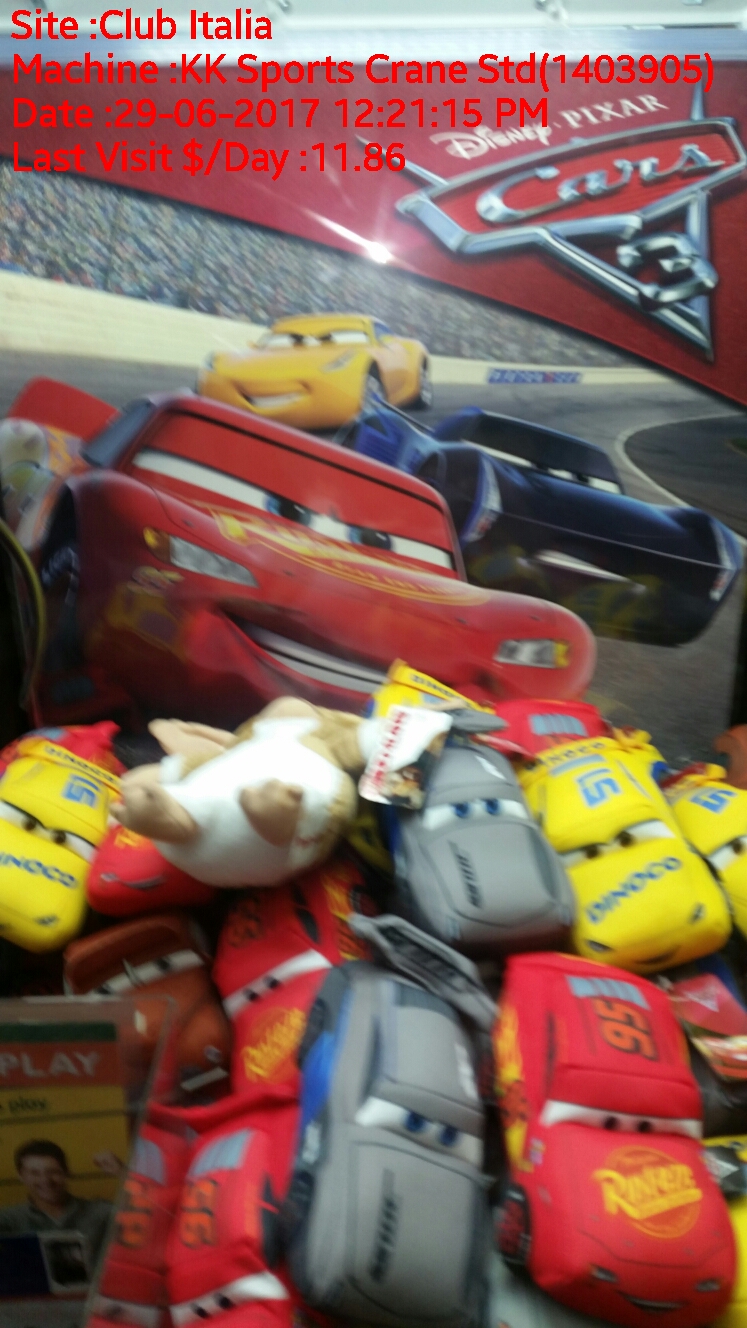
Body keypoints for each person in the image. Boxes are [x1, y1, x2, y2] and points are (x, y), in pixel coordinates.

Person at [0, 1139, 122, 1272]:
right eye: (34, 1173)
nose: (45, 1180)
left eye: (53, 1172)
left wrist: (123, 1173)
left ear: (66, 1172)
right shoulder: (9, 1219)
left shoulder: (100, 1211)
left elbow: (139, 1218)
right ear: (21, 1176)